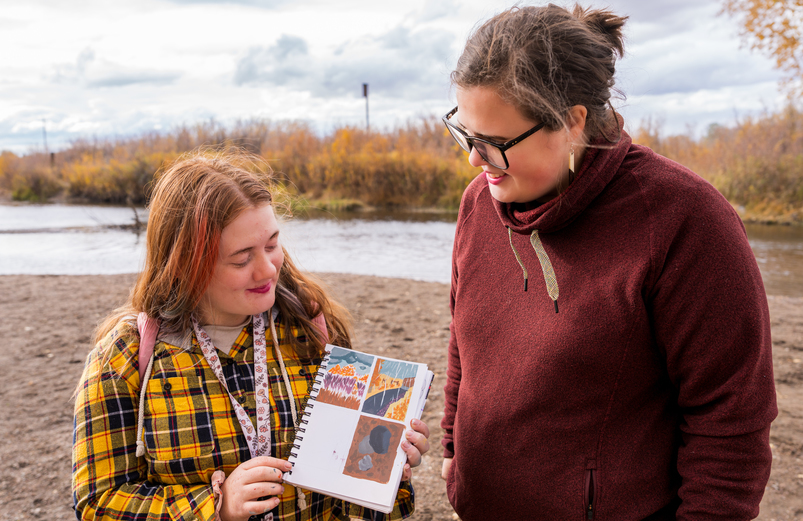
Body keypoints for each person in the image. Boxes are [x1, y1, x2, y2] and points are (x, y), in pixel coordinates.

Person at [439, 4, 776, 520]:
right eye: (466, 134)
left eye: (495, 144)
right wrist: (453, 449)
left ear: (573, 121)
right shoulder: (478, 202)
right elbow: (465, 341)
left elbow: (730, 421)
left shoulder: (685, 220)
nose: (474, 159)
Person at [72, 150, 430, 521]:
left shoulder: (313, 328)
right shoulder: (125, 357)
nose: (267, 270)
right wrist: (217, 507)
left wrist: (386, 475)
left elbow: (358, 503)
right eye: (241, 258)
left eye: (272, 245)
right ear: (186, 263)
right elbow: (98, 503)